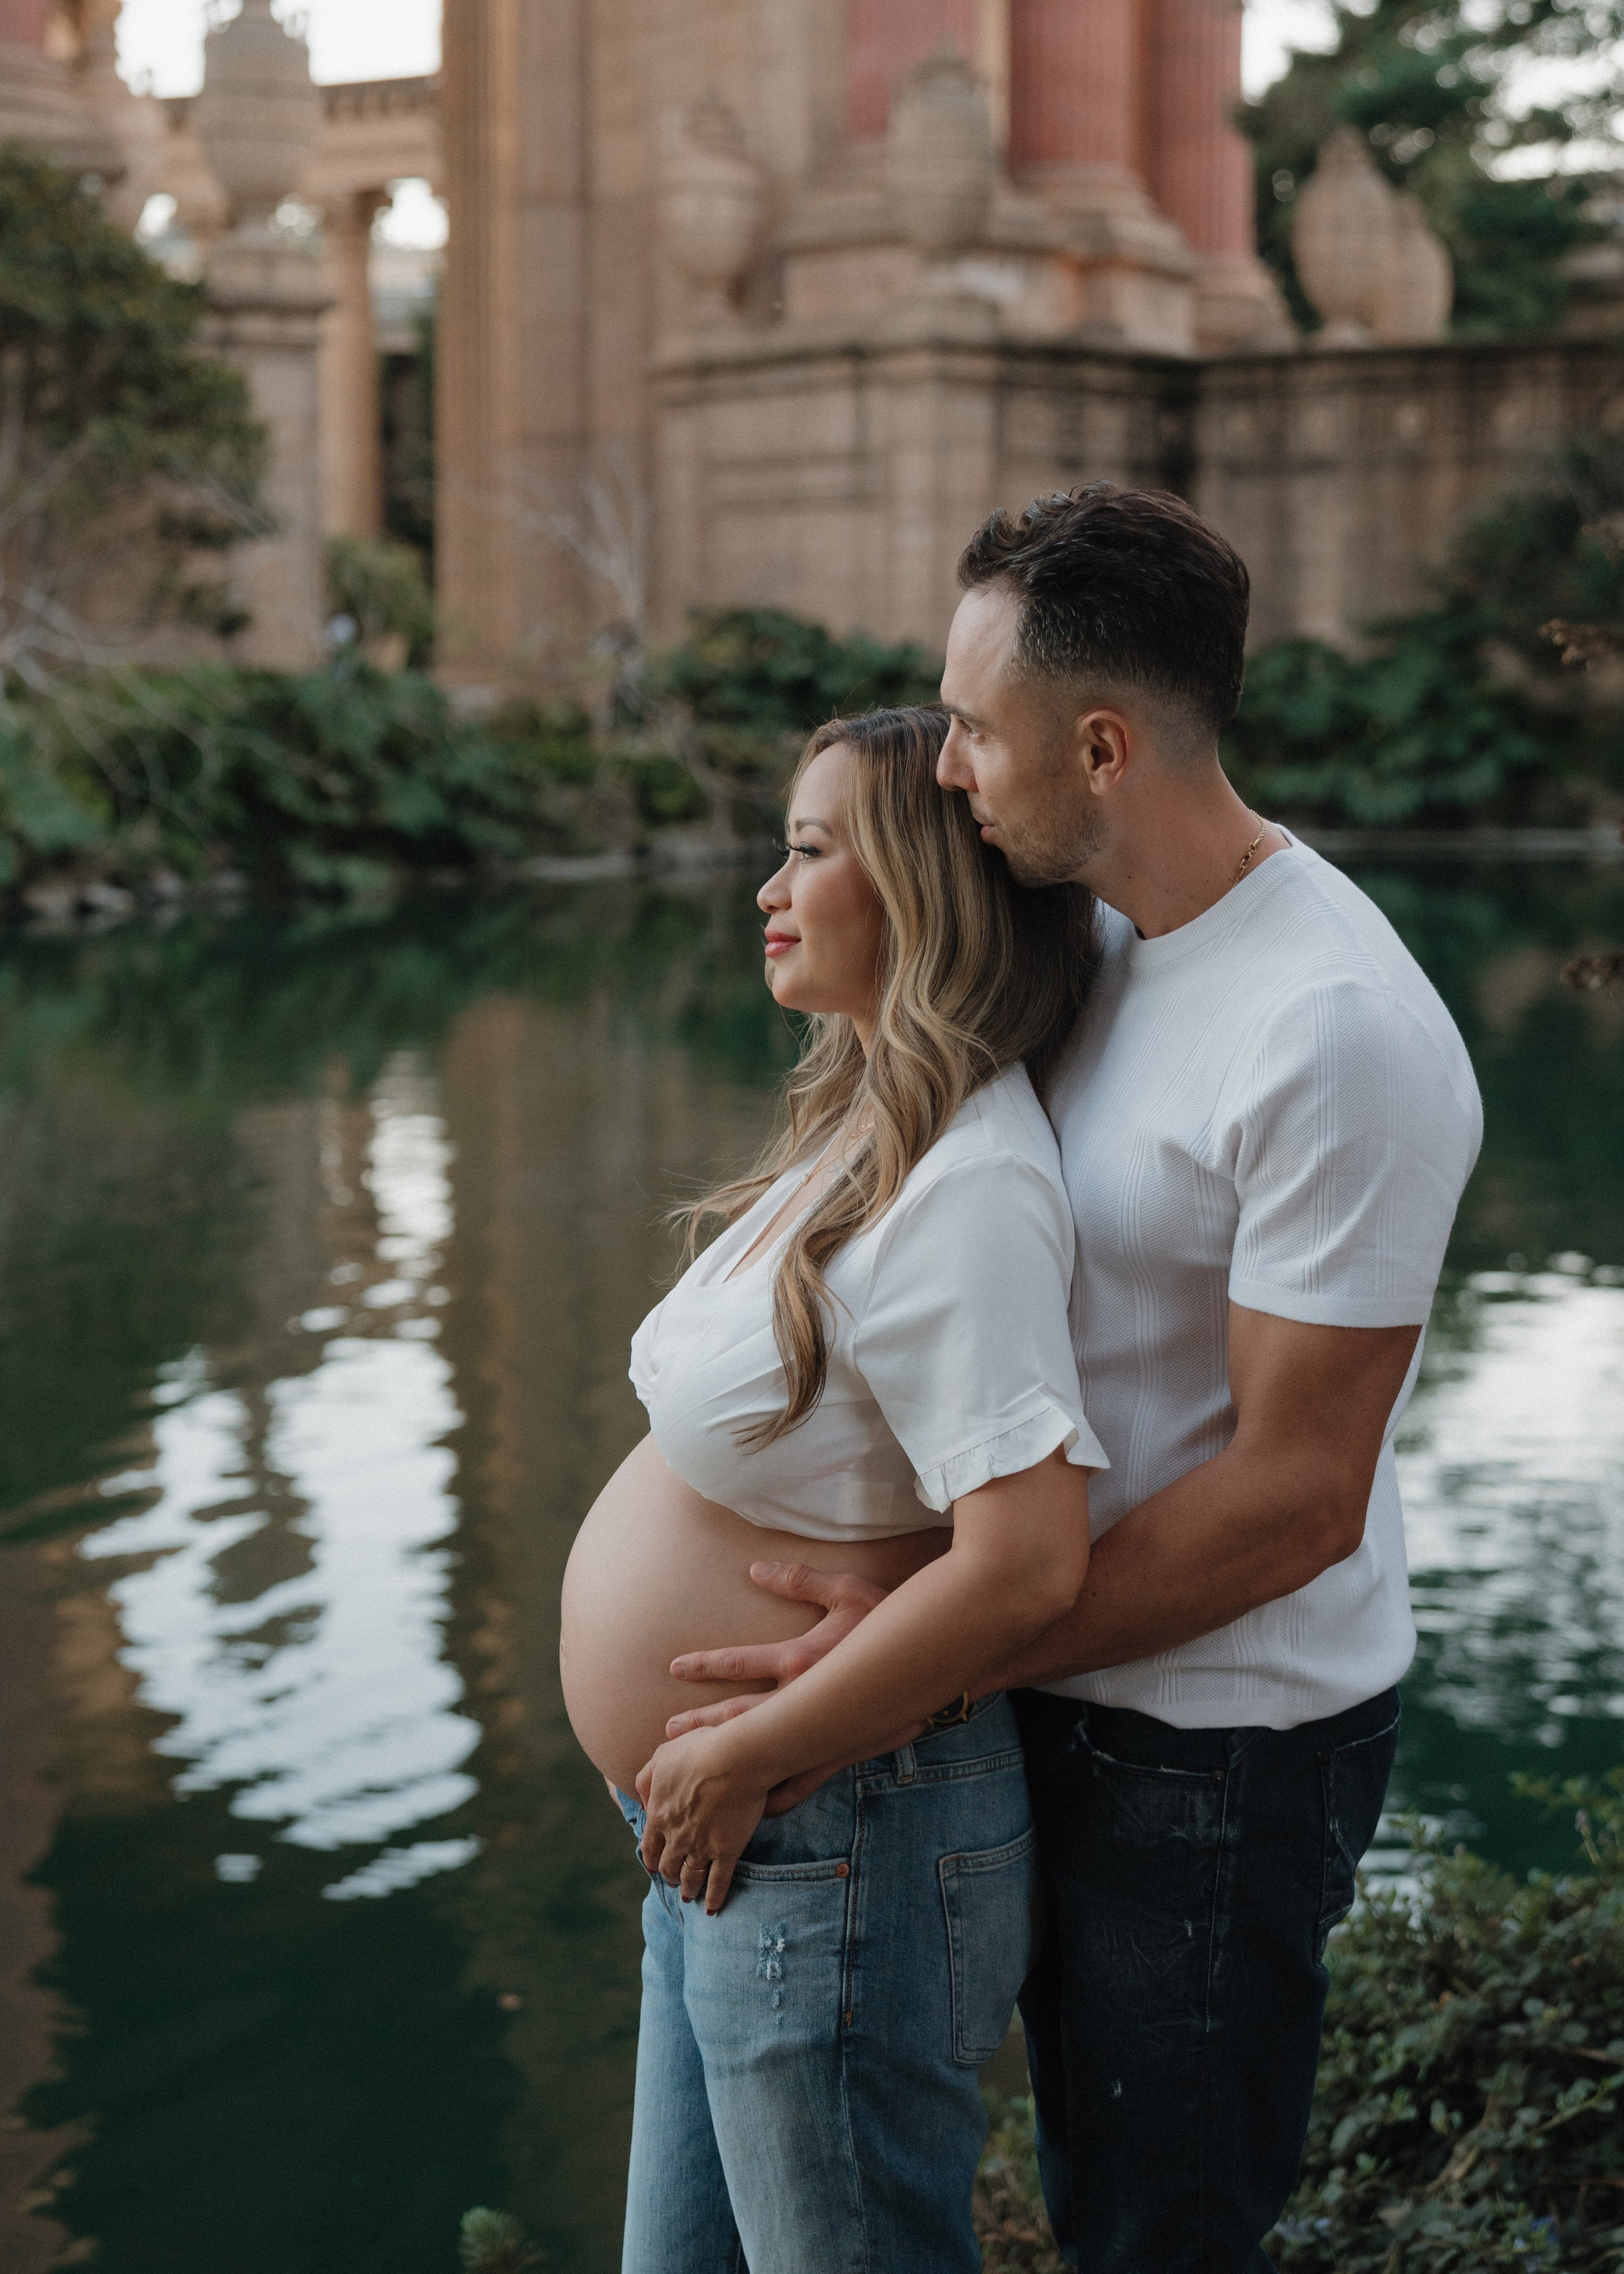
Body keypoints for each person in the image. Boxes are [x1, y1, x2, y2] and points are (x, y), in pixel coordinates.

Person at [665, 487, 1485, 2272]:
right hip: (1035, 1672)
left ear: (1099, 745)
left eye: (970, 730)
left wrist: (902, 1659)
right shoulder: (1100, 939)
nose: (947, 770)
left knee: (1156, 2231)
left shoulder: (1333, 1028)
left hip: (1211, 1755)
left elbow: (1294, 1498)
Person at [560, 702, 1107, 2274]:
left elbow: (1026, 1561)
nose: (766, 887)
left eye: (808, 850)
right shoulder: (876, 1118)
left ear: (922, 889)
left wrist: (758, 1757)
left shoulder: (973, 1186)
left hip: (830, 1829)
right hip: (733, 1822)